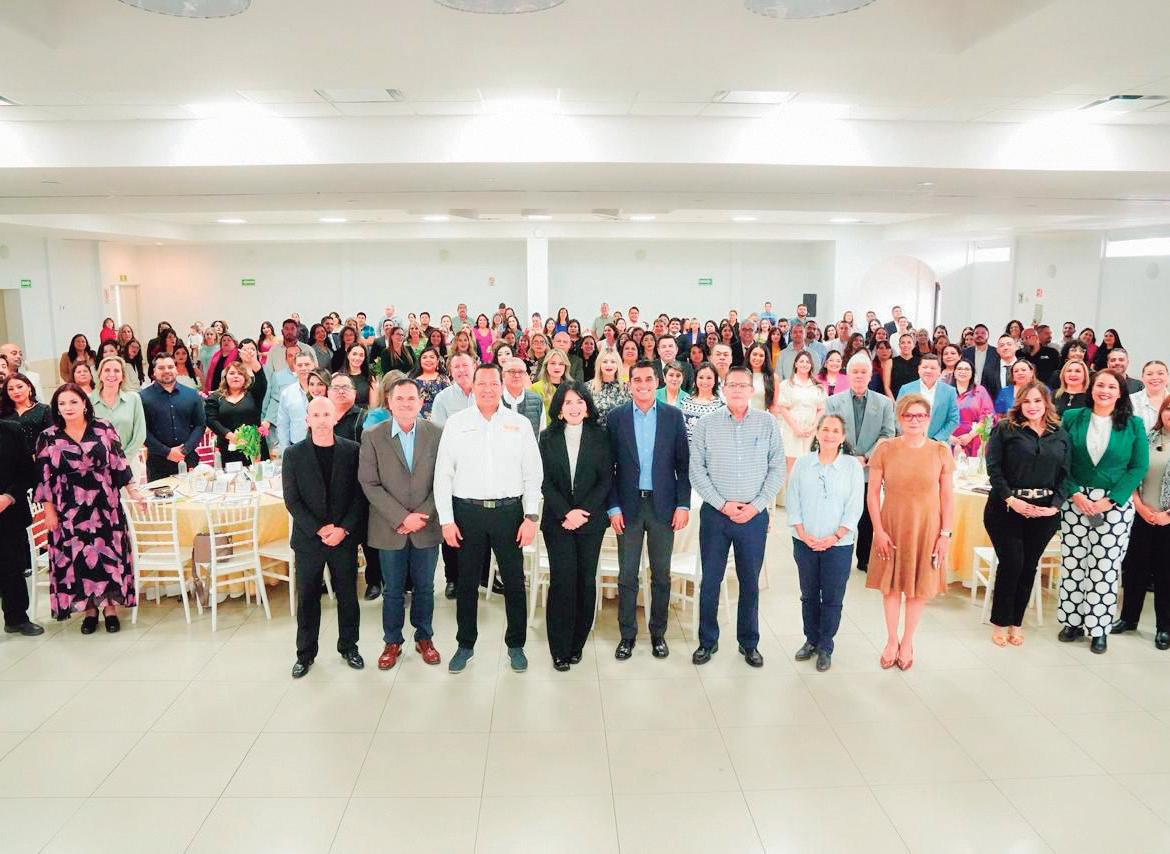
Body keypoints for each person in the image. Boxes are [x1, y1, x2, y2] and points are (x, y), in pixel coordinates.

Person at [434, 363, 543, 674]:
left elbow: (533, 472)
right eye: (481, 383)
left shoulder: (519, 424)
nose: (487, 389)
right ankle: (465, 644)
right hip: (467, 513)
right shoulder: (457, 423)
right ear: (473, 386)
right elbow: (443, 474)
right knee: (467, 582)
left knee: (514, 582)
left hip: (509, 513)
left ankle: (516, 645)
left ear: (502, 386)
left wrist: (531, 515)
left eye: (494, 383)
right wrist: (446, 520)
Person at [689, 366, 784, 667]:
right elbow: (696, 471)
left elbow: (777, 469)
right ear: (723, 389)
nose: (738, 390)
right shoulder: (706, 425)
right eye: (732, 385)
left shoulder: (768, 423)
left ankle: (749, 643)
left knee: (749, 582)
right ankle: (707, 641)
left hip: (753, 516)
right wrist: (722, 505)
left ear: (752, 390)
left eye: (744, 385)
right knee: (711, 580)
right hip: (716, 515)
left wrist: (756, 506)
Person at [35, 384, 144, 633]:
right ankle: (89, 610)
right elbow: (43, 477)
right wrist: (49, 512)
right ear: (56, 409)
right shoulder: (48, 436)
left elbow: (119, 462)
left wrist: (134, 491)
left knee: (107, 555)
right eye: (62, 403)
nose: (68, 407)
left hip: (105, 504)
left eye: (73, 402)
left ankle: (110, 609)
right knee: (79, 558)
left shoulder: (103, 428)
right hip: (68, 507)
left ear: (85, 403)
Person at [1057, 370, 1149, 653]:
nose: (1105, 391)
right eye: (1100, 385)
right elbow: (1061, 460)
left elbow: (1138, 467)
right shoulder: (1073, 418)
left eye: (1111, 386)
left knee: (1105, 568)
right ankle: (1071, 622)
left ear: (1120, 393)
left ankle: (1098, 629)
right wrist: (1074, 493)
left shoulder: (1134, 424)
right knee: (1073, 562)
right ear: (1091, 388)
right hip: (1075, 501)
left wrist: (1111, 500)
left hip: (1114, 505)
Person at [607, 361, 690, 661]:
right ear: (629, 384)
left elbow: (683, 465)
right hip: (628, 508)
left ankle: (658, 634)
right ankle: (627, 636)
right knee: (627, 575)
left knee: (661, 575)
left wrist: (683, 504)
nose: (642, 385)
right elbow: (608, 468)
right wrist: (613, 506)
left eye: (648, 379)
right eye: (637, 380)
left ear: (657, 382)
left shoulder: (673, 416)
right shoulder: (616, 417)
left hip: (663, 507)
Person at [359, 378, 444, 670]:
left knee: (425, 587)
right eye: (400, 399)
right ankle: (392, 641)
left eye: (411, 398)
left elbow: (443, 480)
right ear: (389, 402)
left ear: (421, 402)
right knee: (392, 590)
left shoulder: (436, 433)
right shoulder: (372, 435)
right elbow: (369, 483)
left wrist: (421, 515)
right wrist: (401, 517)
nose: (406, 404)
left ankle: (425, 637)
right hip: (389, 526)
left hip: (426, 524)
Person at [866, 394, 955, 670]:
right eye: (908, 415)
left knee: (918, 589)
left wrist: (945, 535)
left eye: (920, 415)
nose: (914, 420)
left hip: (927, 527)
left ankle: (907, 642)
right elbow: (872, 494)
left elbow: (947, 496)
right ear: (899, 418)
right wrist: (878, 530)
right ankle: (892, 640)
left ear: (928, 419)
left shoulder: (940, 451)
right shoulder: (885, 449)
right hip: (892, 525)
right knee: (891, 587)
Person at [282, 397, 366, 678]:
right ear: (307, 419)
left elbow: (359, 496)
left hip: (343, 538)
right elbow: (292, 500)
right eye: (315, 415)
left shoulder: (352, 451)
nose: (321, 420)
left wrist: (343, 529)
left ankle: (349, 647)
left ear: (335, 418)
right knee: (307, 599)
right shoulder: (293, 454)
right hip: (309, 540)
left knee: (348, 596)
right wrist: (319, 529)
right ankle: (305, 654)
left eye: (326, 414)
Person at [984, 383, 1071, 646]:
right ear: (1019, 404)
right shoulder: (1005, 429)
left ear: (1046, 403)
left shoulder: (1060, 434)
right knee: (1012, 563)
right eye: (1027, 401)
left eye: (1037, 401)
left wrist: (1055, 506)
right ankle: (1000, 622)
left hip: (1044, 512)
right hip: (1006, 509)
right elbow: (994, 469)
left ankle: (1016, 622)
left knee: (1029, 565)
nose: (1032, 406)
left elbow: (1066, 474)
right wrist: (1012, 500)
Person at [540, 382, 613, 670]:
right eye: (568, 402)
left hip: (590, 521)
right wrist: (566, 513)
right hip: (557, 521)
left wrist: (583, 512)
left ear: (587, 406)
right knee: (563, 581)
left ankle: (577, 643)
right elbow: (544, 481)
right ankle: (559, 648)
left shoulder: (601, 436)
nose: (574, 407)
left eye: (580, 402)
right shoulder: (547, 437)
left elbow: (606, 479)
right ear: (559, 409)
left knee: (585, 580)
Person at [786, 414, 865, 671]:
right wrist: (803, 533)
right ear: (817, 433)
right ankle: (811, 640)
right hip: (805, 542)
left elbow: (855, 507)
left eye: (835, 431)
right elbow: (793, 500)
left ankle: (825, 646)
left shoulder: (852, 467)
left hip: (838, 545)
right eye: (825, 429)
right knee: (809, 594)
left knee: (832, 597)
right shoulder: (803, 464)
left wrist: (835, 536)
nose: (830, 434)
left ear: (843, 437)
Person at [825, 354, 895, 573]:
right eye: (855, 371)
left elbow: (888, 433)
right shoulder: (833, 402)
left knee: (867, 515)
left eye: (863, 372)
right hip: (841, 465)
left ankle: (864, 559)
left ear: (870, 375)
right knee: (839, 512)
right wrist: (848, 456)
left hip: (870, 468)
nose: (859, 376)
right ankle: (837, 554)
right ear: (848, 374)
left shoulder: (884, 403)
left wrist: (867, 456)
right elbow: (829, 433)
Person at [1114, 397, 1170, 649]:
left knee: (1165, 575)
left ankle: (1164, 627)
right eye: (1168, 408)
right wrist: (1140, 506)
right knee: (1135, 569)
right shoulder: (1147, 438)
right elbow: (1133, 471)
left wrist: (1166, 515)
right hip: (1141, 514)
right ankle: (1128, 618)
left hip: (1167, 520)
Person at [0, 416, 42, 635]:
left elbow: (27, 472)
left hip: (9, 509)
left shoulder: (12, 430)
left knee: (12, 567)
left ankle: (16, 618)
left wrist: (8, 496)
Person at [138, 355, 207, 481]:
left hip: (188, 459)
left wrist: (185, 449)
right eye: (161, 368)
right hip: (158, 463)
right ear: (154, 372)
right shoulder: (142, 398)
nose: (166, 371)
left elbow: (200, 425)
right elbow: (142, 431)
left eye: (170, 367)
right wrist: (167, 452)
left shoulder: (192, 395)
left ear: (176, 369)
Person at [204, 360, 269, 467]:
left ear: (245, 378)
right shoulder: (215, 397)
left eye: (240, 373)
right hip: (228, 448)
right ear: (225, 377)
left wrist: (253, 359)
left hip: (253, 447)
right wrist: (230, 436)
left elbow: (261, 381)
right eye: (232, 373)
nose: (236, 376)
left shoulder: (254, 393)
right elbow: (211, 420)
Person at [90, 356, 146, 472]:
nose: (112, 374)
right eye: (107, 370)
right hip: (98, 465)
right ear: (100, 375)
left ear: (123, 376)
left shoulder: (134, 399)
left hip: (129, 463)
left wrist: (123, 459)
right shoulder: (88, 401)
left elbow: (140, 434)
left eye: (116, 370)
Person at [775, 350, 826, 478]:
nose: (804, 364)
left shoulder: (817, 387)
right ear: (796, 364)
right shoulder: (786, 385)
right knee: (792, 470)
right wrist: (796, 428)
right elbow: (782, 408)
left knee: (809, 467)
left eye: (807, 362)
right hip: (792, 431)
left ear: (811, 365)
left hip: (810, 432)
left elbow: (822, 409)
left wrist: (813, 427)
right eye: (801, 361)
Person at [897, 353, 961, 442]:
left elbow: (954, 420)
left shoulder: (949, 391)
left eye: (933, 368)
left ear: (939, 371)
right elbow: (897, 416)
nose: (928, 371)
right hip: (910, 441)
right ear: (918, 369)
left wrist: (936, 439)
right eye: (925, 367)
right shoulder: (906, 389)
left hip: (938, 443)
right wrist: (909, 435)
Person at [275, 357, 326, 454]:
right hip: (297, 446)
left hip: (323, 445)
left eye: (307, 364)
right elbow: (283, 424)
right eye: (299, 365)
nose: (303, 368)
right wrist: (285, 451)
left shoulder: (323, 391)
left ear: (314, 365)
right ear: (294, 367)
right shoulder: (287, 393)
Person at [948, 359, 996, 456]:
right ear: (954, 373)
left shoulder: (980, 391)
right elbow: (938, 419)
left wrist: (970, 436)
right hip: (949, 440)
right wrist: (949, 437)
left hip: (974, 439)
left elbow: (989, 418)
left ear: (972, 373)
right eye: (959, 369)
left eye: (967, 369)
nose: (963, 371)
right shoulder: (946, 392)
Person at [0, 372, 53, 456]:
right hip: (8, 460)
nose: (16, 391)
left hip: (37, 459)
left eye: (20, 387)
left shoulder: (44, 410)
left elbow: (51, 439)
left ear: (29, 387)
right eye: (11, 389)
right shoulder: (3, 412)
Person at [680, 363, 726, 440]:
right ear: (695, 379)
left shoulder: (720, 407)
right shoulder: (684, 401)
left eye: (709, 378)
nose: (704, 381)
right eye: (701, 377)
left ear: (715, 380)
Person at [499, 357, 543, 438]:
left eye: (521, 372)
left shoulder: (537, 400)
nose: (517, 375)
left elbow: (542, 432)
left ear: (526, 375)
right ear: (503, 375)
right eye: (512, 371)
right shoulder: (495, 400)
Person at [1130, 360, 1168, 430]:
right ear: (1142, 378)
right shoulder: (1131, 400)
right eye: (1149, 374)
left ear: (1167, 376)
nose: (1155, 377)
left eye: (1160, 373)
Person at [886, 333, 921, 398]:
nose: (906, 345)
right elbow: (886, 387)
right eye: (903, 343)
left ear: (913, 345)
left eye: (909, 342)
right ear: (899, 345)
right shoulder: (890, 362)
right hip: (897, 400)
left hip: (916, 399)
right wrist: (894, 402)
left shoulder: (920, 362)